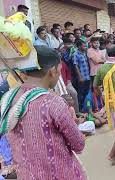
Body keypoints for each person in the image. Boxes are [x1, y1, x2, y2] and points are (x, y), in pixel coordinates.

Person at [0, 46, 86, 179]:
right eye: (59, 70)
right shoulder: (53, 102)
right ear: (52, 71)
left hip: (26, 175)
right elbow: (78, 144)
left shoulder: (8, 98)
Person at [73, 40, 90, 110]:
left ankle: (86, 108)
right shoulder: (76, 54)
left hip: (87, 77)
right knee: (81, 94)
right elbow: (75, 66)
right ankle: (80, 109)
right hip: (82, 77)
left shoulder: (84, 53)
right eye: (84, 46)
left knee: (87, 93)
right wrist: (80, 77)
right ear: (79, 46)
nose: (86, 47)